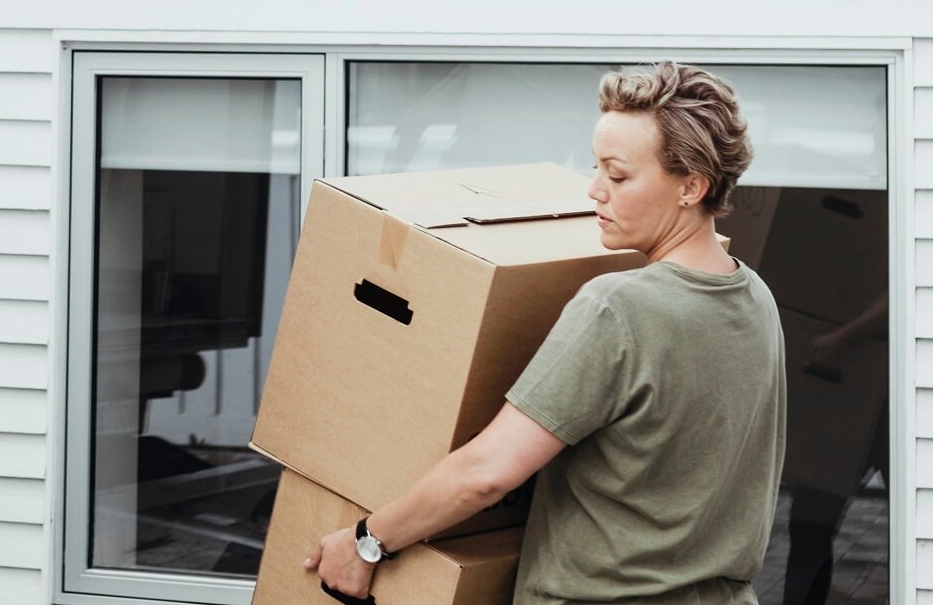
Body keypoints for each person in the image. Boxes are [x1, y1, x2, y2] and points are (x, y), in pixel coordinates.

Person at [308, 62, 784, 605]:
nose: (594, 190)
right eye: (596, 169)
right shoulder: (753, 296)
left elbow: (486, 474)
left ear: (691, 186)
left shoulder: (620, 308)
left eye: (619, 175)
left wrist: (367, 543)